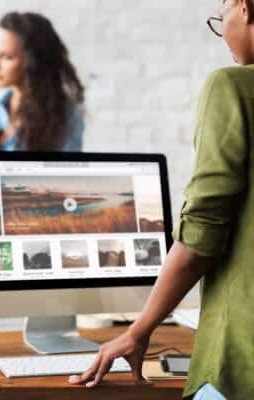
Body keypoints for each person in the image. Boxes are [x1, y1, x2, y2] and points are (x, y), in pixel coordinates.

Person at [69, 1, 254, 399]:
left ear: (245, 7)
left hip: (245, 359)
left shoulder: (233, 86)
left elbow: (202, 232)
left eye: (221, 17)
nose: (222, 31)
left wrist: (139, 331)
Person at [0, 12, 85, 283]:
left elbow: (64, 186)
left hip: (25, 232)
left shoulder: (65, 115)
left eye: (7, 57)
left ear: (33, 63)